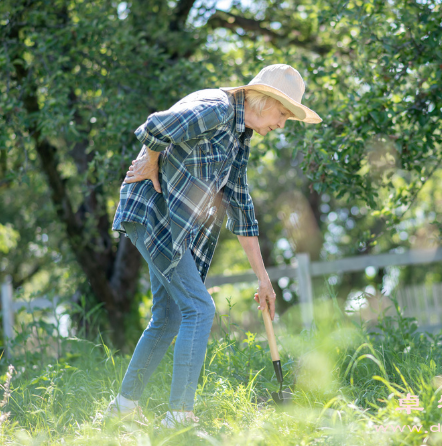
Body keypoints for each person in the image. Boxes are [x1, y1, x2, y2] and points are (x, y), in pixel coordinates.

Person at [105, 64, 322, 426]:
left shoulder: (240, 138)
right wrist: (151, 160)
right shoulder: (218, 108)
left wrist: (263, 279)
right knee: (199, 309)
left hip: (172, 227)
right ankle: (178, 417)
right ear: (263, 98)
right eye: (283, 112)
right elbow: (158, 125)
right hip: (153, 215)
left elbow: (239, 204)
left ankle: (123, 409)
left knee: (171, 315)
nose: (282, 124)